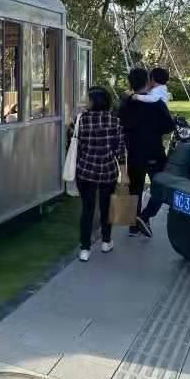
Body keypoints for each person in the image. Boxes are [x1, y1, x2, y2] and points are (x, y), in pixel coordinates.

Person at [118, 68, 175, 237]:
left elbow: (121, 126)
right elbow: (169, 127)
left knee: (135, 188)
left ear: (130, 83)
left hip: (134, 152)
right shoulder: (156, 103)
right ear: (148, 81)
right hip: (154, 151)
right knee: (162, 187)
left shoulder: (126, 104)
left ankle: (133, 227)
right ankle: (144, 216)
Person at [75, 87, 126, 262]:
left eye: (87, 98)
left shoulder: (81, 120)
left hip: (85, 171)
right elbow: (120, 150)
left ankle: (85, 249)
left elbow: (74, 144)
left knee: (87, 209)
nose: (85, 100)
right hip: (108, 171)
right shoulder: (115, 120)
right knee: (106, 207)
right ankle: (106, 241)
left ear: (93, 101)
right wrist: (124, 173)